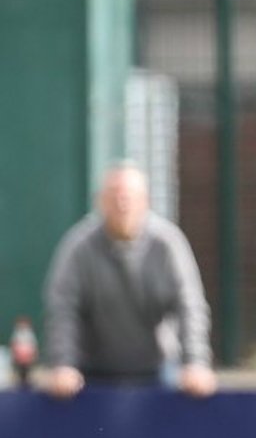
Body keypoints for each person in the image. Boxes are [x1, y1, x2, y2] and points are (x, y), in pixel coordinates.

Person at [42, 163, 217, 399]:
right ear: (100, 201)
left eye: (129, 196)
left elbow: (190, 306)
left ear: (146, 201)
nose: (122, 203)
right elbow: (63, 309)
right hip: (90, 374)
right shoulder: (78, 247)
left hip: (158, 370)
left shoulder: (168, 244)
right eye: (114, 195)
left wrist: (196, 363)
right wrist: (63, 364)